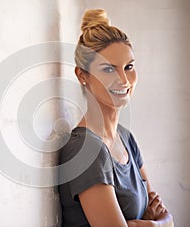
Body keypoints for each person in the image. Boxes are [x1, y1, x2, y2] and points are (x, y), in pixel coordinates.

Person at [58, 9, 174, 227]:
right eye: (108, 69)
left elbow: (160, 212)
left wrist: (158, 223)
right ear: (82, 76)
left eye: (128, 67)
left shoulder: (125, 138)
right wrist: (162, 224)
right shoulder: (86, 150)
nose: (124, 80)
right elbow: (163, 219)